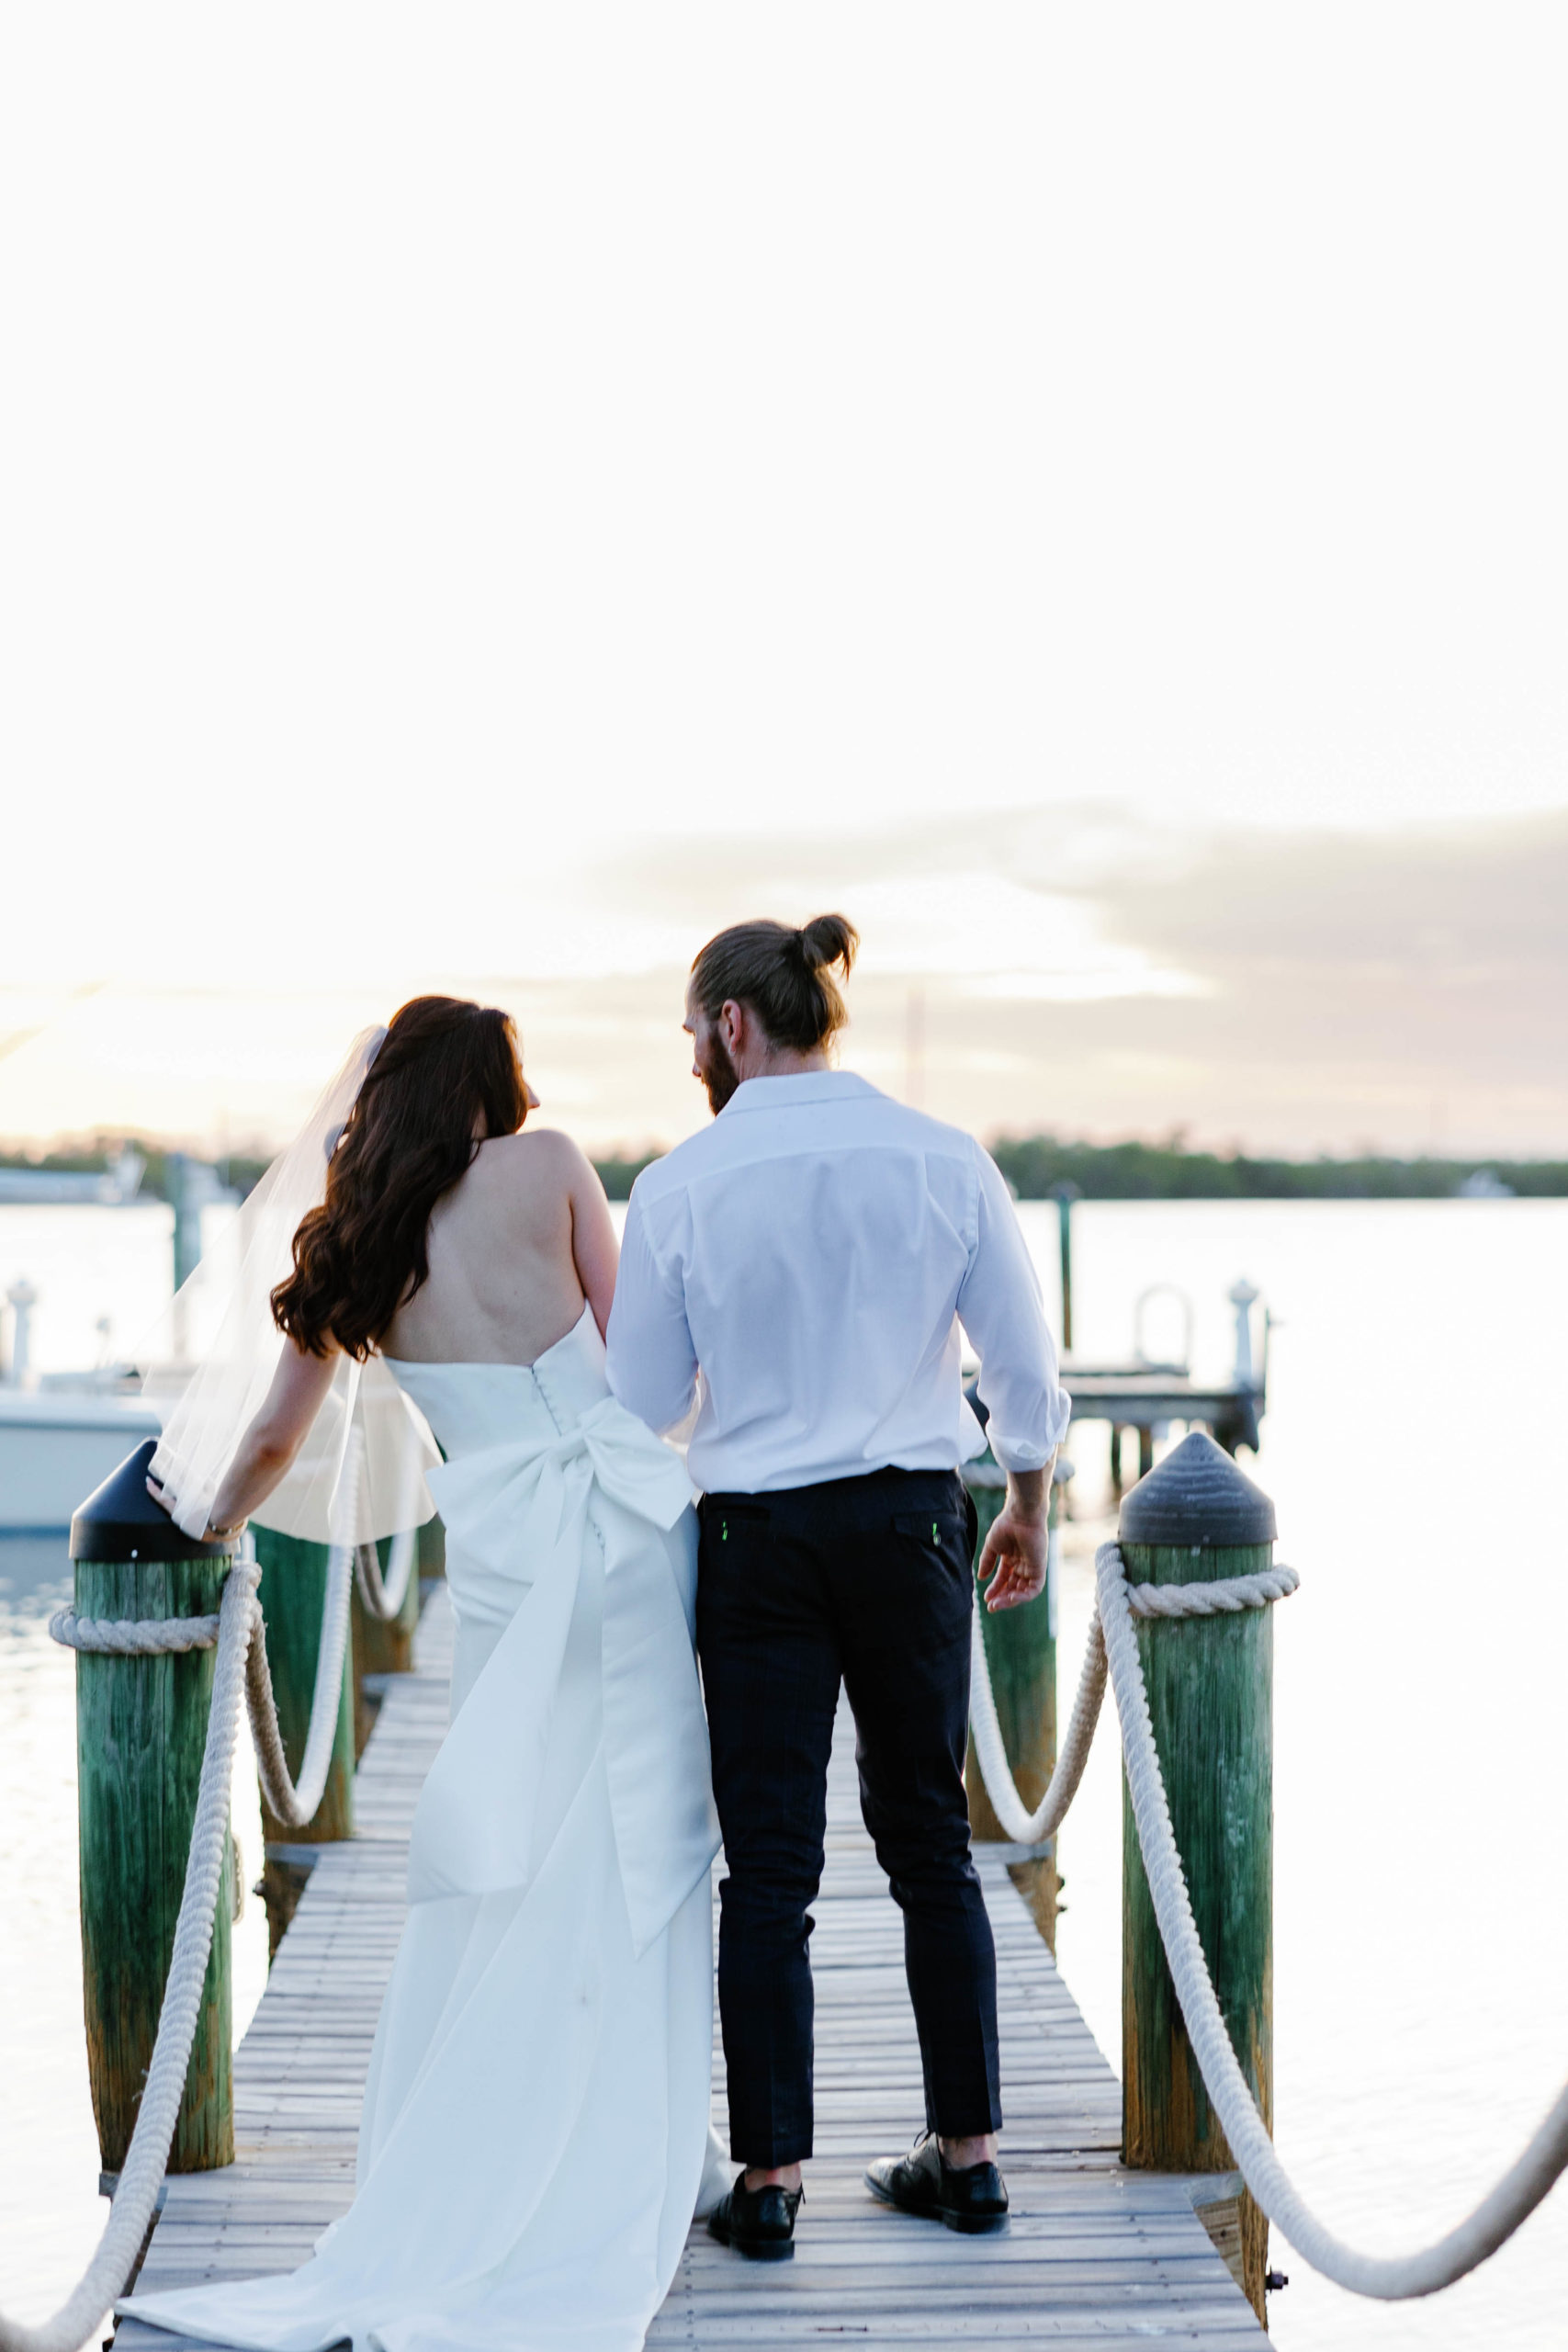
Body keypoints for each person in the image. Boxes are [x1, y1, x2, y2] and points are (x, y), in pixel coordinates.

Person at [123, 996, 728, 2352]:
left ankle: (504, 2142)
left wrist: (206, 1524)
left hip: (511, 1560)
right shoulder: (553, 1166)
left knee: (515, 1840)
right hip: (633, 1536)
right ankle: (639, 2141)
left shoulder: (351, 1237)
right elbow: (643, 1376)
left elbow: (274, 1441)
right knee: (648, 1835)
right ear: (490, 1088)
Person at [606, 916, 1071, 2260]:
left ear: (734, 1025)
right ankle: (971, 2160)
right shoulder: (944, 1157)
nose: (693, 1051)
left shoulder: (681, 1184)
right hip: (912, 1525)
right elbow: (1024, 1374)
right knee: (933, 1839)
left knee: (769, 1865)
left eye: (694, 1029)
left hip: (757, 1538)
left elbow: (642, 1406)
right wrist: (1029, 1500)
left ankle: (771, 2184)